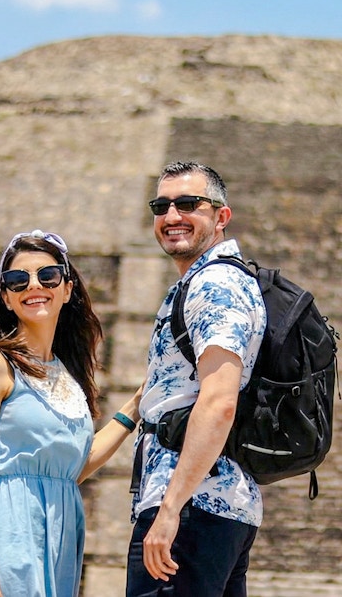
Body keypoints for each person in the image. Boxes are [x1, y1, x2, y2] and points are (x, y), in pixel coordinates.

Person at [0, 229, 141, 597]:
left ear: (67, 289)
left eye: (48, 275)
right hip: (11, 528)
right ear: (6, 298)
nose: (33, 285)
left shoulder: (69, 376)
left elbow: (75, 467)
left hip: (61, 531)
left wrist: (133, 409)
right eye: (17, 280)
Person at [126, 161, 267, 597]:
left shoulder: (215, 286)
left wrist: (170, 509)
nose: (172, 216)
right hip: (217, 507)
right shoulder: (209, 281)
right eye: (161, 205)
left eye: (189, 204)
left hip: (191, 507)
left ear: (221, 216)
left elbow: (220, 399)